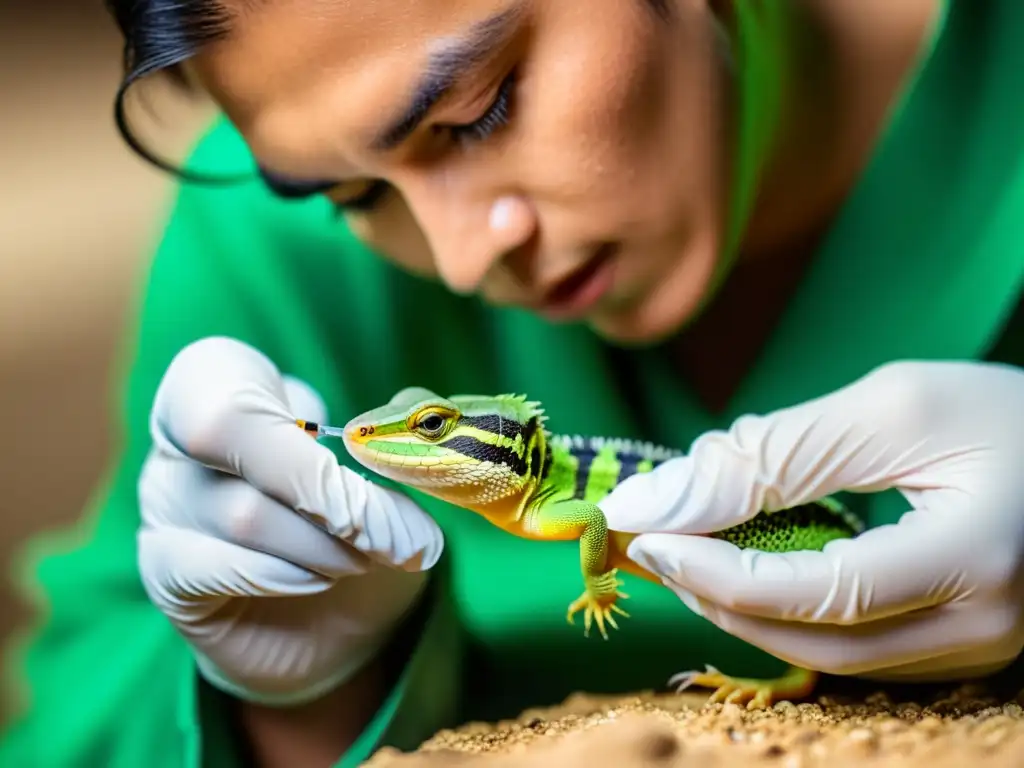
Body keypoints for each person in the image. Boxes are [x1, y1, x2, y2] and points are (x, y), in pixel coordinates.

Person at [3, 0, 1024, 765]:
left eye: (481, 109)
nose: (459, 259)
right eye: (354, 192)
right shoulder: (271, 251)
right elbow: (70, 724)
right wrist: (290, 704)